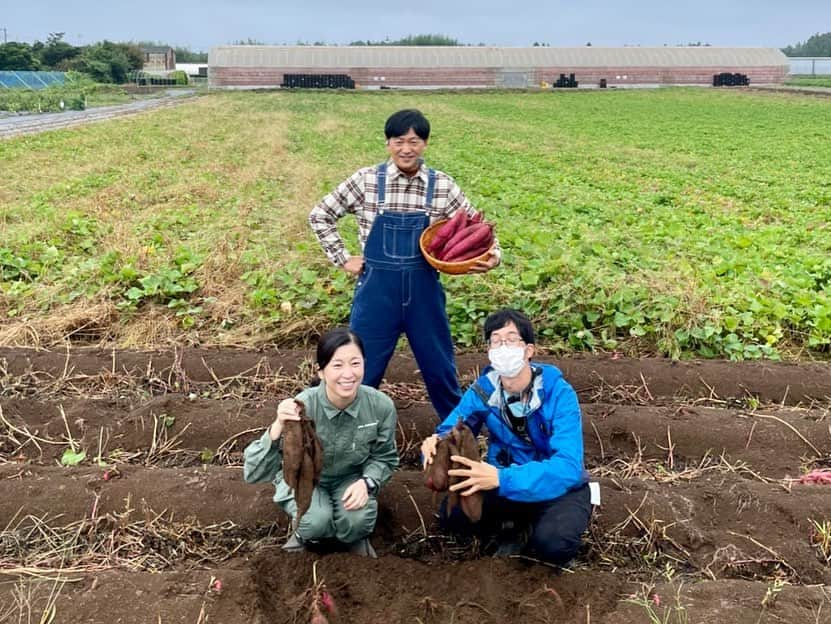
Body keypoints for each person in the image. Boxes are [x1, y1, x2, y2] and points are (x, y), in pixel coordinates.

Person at [308, 108, 500, 420]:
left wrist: (491, 258)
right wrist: (342, 258)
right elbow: (320, 215)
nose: (406, 149)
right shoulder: (367, 180)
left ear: (424, 144)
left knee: (441, 371)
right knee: (359, 371)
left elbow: (477, 227)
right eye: (399, 141)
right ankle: (338, 435)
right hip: (376, 297)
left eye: (414, 141)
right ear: (388, 143)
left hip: (424, 297)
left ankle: (459, 437)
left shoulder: (442, 186)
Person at [421, 308, 592, 566]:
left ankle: (529, 528)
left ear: (529, 350)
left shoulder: (558, 393)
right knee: (452, 517)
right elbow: (452, 426)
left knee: (554, 545)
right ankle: (513, 526)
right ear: (489, 351)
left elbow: (567, 466)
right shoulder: (485, 390)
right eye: (496, 340)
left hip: (557, 487)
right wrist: (434, 443)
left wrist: (501, 477)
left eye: (511, 339)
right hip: (503, 483)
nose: (503, 347)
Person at [243, 327, 399, 558]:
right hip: (309, 480)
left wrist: (367, 483)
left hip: (349, 477)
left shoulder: (380, 406)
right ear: (322, 371)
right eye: (337, 365)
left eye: (355, 363)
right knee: (315, 521)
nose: (348, 374)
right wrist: (277, 425)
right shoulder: (303, 407)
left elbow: (384, 457)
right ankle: (306, 536)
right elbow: (253, 472)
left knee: (357, 520)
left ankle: (353, 538)